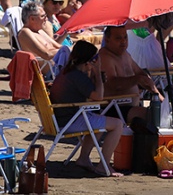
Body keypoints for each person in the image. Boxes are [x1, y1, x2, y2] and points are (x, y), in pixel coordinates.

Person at [49, 40, 125, 177]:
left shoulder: (68, 72)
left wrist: (93, 76)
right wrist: (98, 73)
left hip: (60, 118)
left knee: (98, 123)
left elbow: (87, 94)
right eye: (95, 59)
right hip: (68, 122)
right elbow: (98, 97)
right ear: (88, 61)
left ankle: (83, 159)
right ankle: (103, 166)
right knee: (117, 124)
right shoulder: (77, 76)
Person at [99, 26, 163, 124]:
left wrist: (155, 91)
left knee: (161, 113)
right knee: (153, 116)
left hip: (130, 106)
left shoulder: (125, 54)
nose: (123, 41)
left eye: (125, 37)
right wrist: (136, 80)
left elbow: (139, 72)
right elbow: (113, 84)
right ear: (107, 40)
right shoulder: (104, 57)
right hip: (112, 108)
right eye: (118, 38)